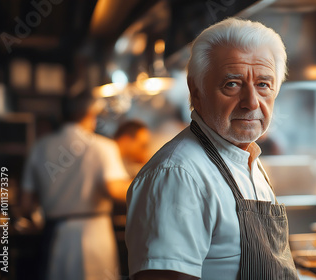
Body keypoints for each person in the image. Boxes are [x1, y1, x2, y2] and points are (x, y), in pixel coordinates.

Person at [125, 18, 298, 280]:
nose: (251, 102)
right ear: (196, 92)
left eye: (263, 84)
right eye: (232, 84)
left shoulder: (247, 160)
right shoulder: (179, 175)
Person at [20, 92, 131, 280]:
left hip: (54, 236)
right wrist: (148, 186)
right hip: (93, 236)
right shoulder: (102, 146)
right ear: (90, 112)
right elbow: (114, 189)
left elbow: (25, 203)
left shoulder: (40, 147)